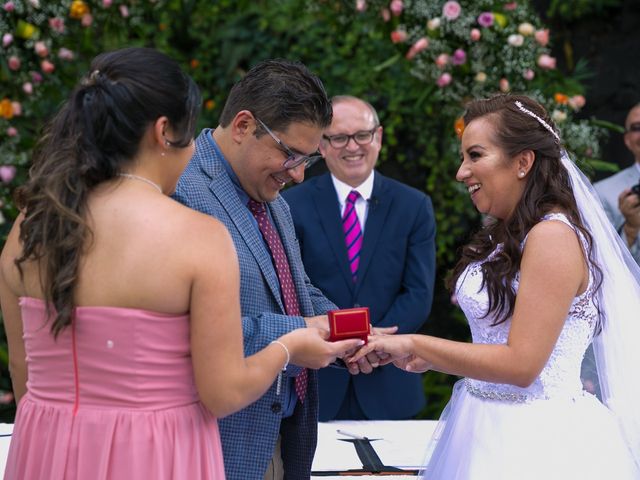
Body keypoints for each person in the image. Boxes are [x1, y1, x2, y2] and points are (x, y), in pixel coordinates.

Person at [0, 48, 362, 480]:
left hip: (47, 449)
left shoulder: (29, 227)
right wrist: (290, 344)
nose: (194, 149)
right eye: (189, 136)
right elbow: (222, 391)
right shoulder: (194, 231)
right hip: (156, 452)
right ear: (162, 132)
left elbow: (24, 371)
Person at [350, 94, 640, 479]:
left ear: (523, 162)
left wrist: (418, 344)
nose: (461, 172)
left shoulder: (553, 237)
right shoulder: (510, 235)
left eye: (475, 155)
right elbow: (495, 340)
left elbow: (522, 366)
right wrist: (434, 358)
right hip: (480, 423)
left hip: (537, 442)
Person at [173, 60, 358, 480]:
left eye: (307, 161)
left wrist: (352, 332)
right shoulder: (181, 191)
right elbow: (182, 332)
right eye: (289, 153)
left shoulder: (268, 193)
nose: (295, 174)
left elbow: (293, 289)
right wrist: (297, 337)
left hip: (283, 441)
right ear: (242, 125)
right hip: (217, 446)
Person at [282, 95, 436, 421]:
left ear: (378, 137)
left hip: (390, 379)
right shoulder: (291, 206)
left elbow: (418, 294)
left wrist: (375, 344)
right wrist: (341, 341)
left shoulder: (414, 206)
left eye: (362, 135)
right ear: (321, 146)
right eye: (338, 137)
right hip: (317, 381)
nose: (352, 146)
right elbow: (292, 287)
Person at [594, 102, 640, 265]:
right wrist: (630, 229)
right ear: (627, 140)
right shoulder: (603, 192)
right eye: (637, 127)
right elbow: (603, 262)